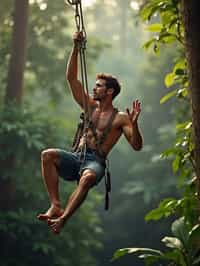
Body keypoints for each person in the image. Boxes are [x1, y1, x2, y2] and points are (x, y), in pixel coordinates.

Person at [37, 32, 143, 234]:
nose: (94, 89)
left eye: (99, 86)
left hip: (95, 162)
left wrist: (135, 125)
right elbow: (71, 79)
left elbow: (137, 146)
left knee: (86, 179)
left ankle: (63, 218)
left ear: (109, 91)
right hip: (78, 156)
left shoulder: (121, 118)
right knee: (47, 155)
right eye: (95, 86)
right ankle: (55, 204)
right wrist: (76, 47)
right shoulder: (90, 107)